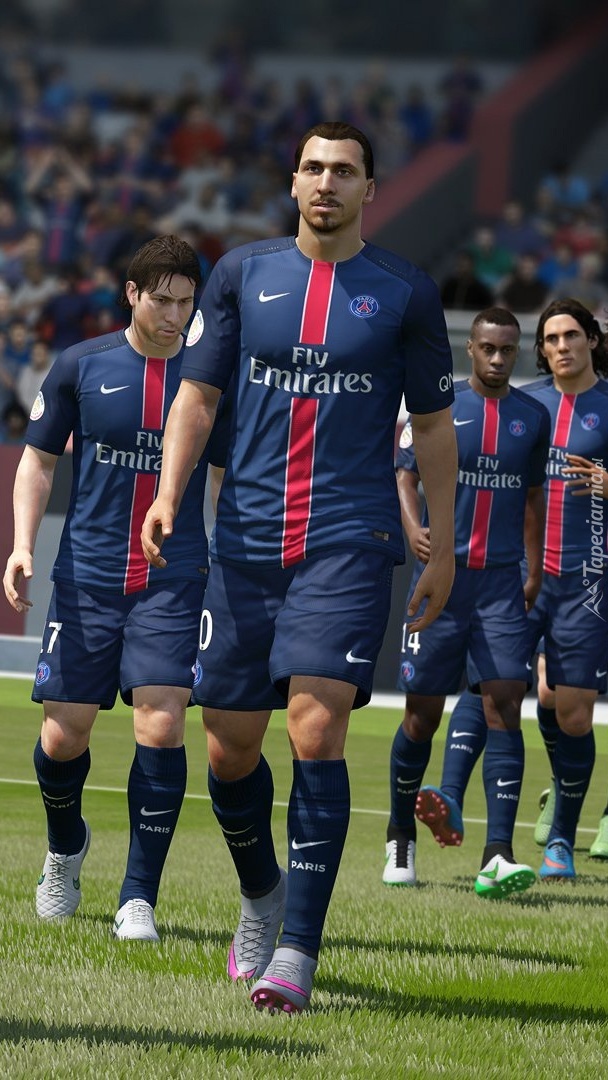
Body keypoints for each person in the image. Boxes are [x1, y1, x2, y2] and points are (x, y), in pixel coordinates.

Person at [141, 121, 457, 1013]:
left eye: (344, 171)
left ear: (369, 190)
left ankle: (297, 955)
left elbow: (435, 428)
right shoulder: (241, 274)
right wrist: (168, 493)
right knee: (229, 748)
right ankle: (262, 899)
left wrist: (442, 544)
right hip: (245, 541)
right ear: (293, 182)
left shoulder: (405, 292)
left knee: (316, 729)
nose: (327, 182)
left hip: (350, 541)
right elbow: (197, 395)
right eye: (314, 167)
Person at [2, 234, 227, 940]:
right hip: (87, 577)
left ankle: (138, 898)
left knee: (161, 723)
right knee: (62, 737)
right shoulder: (82, 365)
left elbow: (222, 478)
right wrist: (20, 545)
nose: (174, 316)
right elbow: (38, 462)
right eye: (161, 300)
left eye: (186, 303)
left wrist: (228, 560)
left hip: (173, 578)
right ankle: (65, 849)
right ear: (131, 294)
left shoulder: (210, 379)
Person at [427, 299, 608, 880]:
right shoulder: (526, 406)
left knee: (571, 712)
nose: (561, 347)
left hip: (585, 581)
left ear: (592, 341)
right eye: (551, 339)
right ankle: (450, 796)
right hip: (518, 576)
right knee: (491, 684)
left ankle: (561, 836)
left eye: (571, 335)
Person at [384, 307, 550, 898]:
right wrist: (413, 529)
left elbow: (533, 498)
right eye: (488, 348)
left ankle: (498, 852)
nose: (498, 359)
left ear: (517, 351)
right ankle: (400, 834)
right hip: (440, 582)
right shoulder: (438, 408)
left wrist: (533, 567)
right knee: (421, 716)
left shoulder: (533, 417)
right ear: (471, 349)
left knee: (504, 704)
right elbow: (404, 475)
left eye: (508, 349)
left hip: (501, 585)